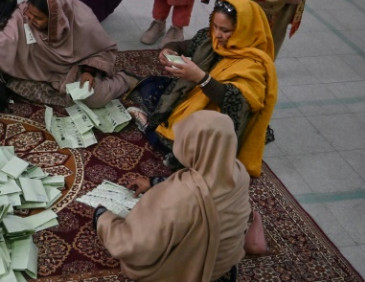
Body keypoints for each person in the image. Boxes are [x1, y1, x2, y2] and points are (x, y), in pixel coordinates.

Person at [95, 111, 251, 282]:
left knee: (139, 256)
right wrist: (155, 182)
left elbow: (134, 245)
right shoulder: (238, 171)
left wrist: (103, 219)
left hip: (192, 273)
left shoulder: (178, 194)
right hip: (225, 265)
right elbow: (207, 185)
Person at [130, 0, 277, 177]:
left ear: (243, 29)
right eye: (215, 26)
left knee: (194, 147)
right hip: (195, 96)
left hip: (218, 118)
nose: (217, 34)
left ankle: (163, 140)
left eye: (225, 30)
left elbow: (234, 102)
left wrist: (201, 78)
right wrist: (170, 49)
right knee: (151, 88)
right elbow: (185, 45)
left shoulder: (254, 64)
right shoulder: (210, 39)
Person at [0, 0, 135, 108]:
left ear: (56, 19)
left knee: (94, 98)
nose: (31, 20)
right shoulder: (22, 15)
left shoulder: (82, 21)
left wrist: (89, 71)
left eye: (38, 18)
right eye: (29, 14)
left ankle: (125, 80)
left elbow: (102, 50)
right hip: (38, 68)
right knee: (10, 82)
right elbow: (2, 44)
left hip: (74, 68)